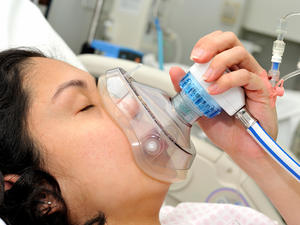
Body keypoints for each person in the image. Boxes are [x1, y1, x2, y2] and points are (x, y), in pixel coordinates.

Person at [0, 31, 299, 225]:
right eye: (86, 106)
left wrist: (259, 159)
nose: (128, 104)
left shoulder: (222, 221)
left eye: (104, 90)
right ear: (40, 198)